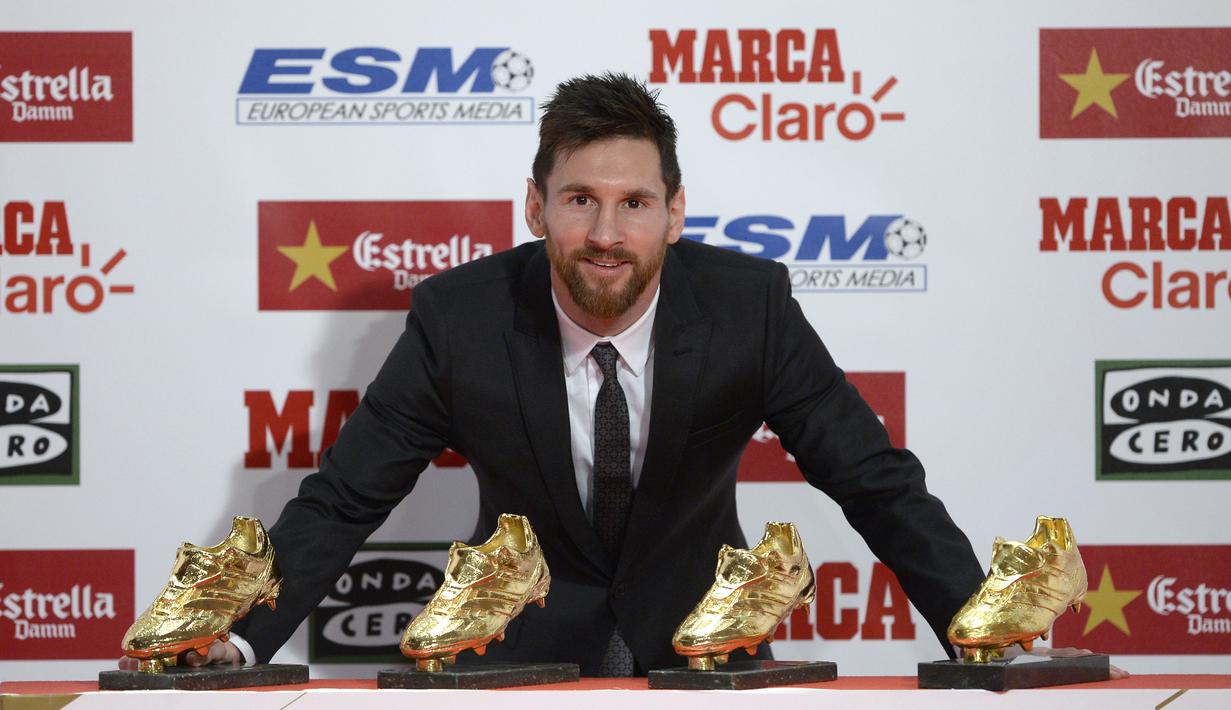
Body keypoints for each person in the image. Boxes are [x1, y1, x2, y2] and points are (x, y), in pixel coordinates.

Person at [178, 72, 986, 676]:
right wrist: (238, 637)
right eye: (579, 201)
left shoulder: (749, 307)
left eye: (634, 203)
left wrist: (982, 628)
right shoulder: (459, 320)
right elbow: (345, 497)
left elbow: (873, 481)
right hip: (513, 656)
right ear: (536, 209)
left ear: (674, 212)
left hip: (706, 655)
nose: (606, 233)